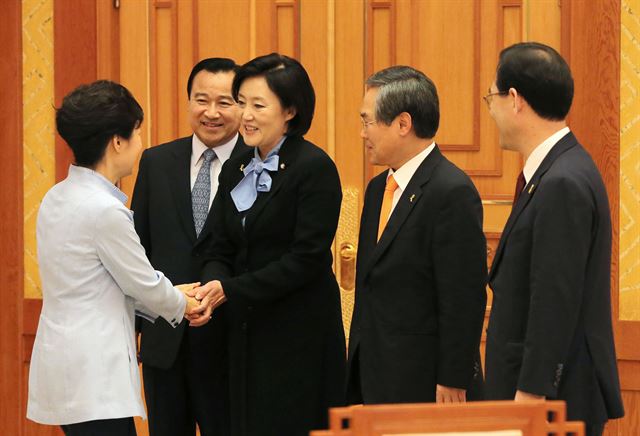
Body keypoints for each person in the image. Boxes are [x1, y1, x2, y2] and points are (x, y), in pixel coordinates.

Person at [26, 80, 209, 436]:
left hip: (66, 365)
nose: (141, 144)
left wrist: (171, 294)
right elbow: (143, 283)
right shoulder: (105, 211)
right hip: (95, 374)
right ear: (118, 141)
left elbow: (100, 285)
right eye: (137, 134)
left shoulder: (57, 196)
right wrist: (183, 302)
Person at [195, 53, 346, 436]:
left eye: (258, 105)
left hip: (297, 337)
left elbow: (306, 259)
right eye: (241, 102)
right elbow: (216, 244)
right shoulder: (238, 165)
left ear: (290, 111)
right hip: (243, 332)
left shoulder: (315, 168)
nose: (244, 115)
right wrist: (213, 285)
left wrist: (230, 289)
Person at [483, 42, 624, 436]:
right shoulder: (553, 171)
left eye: (490, 97)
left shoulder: (562, 180)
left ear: (514, 100)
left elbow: (554, 296)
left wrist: (531, 394)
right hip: (543, 394)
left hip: (551, 401)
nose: (490, 110)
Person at [346, 65, 487, 405]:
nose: (363, 133)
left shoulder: (451, 191)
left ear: (403, 124)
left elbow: (464, 297)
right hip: (374, 371)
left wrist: (453, 378)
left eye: (367, 121)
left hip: (425, 380)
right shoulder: (379, 188)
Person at [131, 57, 248, 436]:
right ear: (188, 102)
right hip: (166, 343)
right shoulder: (156, 162)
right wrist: (130, 332)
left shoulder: (258, 165)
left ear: (242, 107)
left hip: (233, 344)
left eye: (224, 102)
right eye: (201, 100)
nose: (211, 113)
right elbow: (139, 251)